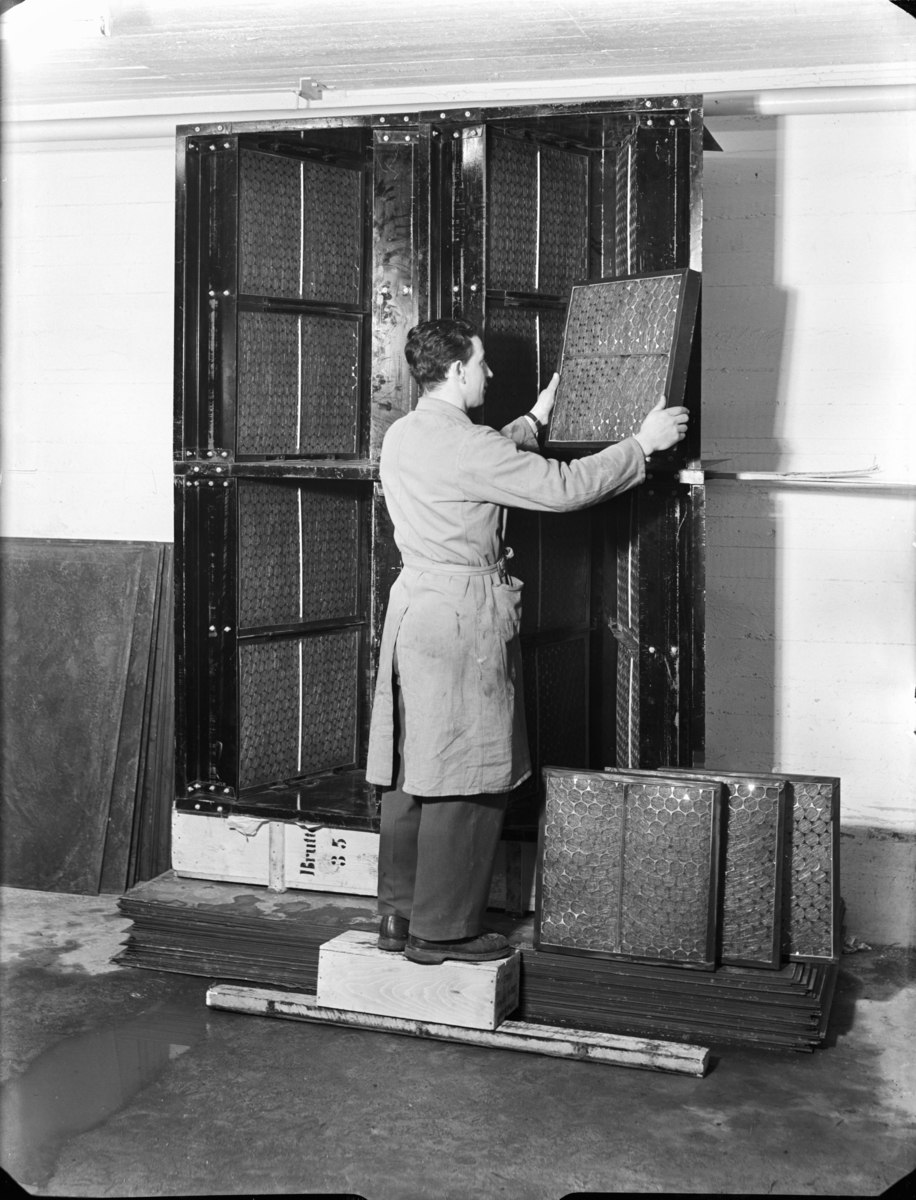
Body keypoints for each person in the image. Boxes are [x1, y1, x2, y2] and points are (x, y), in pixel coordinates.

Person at [365, 318, 688, 965]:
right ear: (458, 370)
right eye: (482, 362)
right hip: (462, 620)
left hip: (414, 615)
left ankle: (399, 916)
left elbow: (477, 461)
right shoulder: (469, 446)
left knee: (409, 769)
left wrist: (536, 419)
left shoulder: (405, 433)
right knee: (466, 773)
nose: (489, 373)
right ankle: (442, 932)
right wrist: (641, 446)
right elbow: (562, 489)